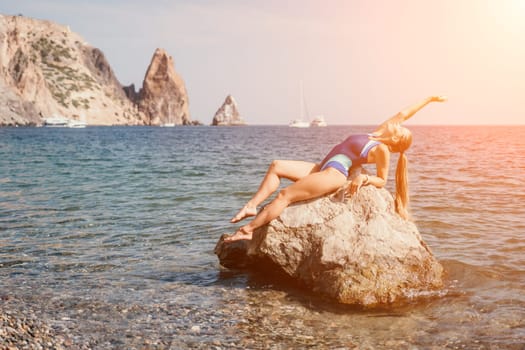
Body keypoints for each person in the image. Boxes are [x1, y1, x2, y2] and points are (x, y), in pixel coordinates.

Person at [225, 95, 447, 242]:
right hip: (322, 167)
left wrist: (364, 180)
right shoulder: (376, 133)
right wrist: (429, 100)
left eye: (399, 128)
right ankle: (252, 206)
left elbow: (382, 179)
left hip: (335, 173)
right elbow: (404, 112)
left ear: (396, 138)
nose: (397, 122)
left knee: (285, 196)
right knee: (277, 165)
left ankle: (248, 230)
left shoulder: (382, 150)